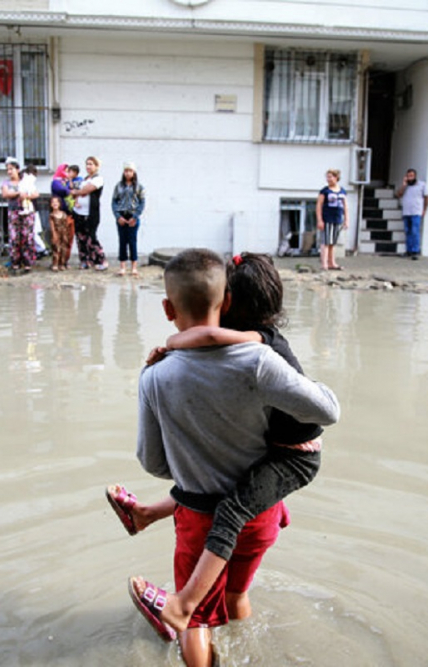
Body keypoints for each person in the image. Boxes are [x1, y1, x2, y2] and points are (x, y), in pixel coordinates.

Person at [126, 249, 340, 666]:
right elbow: (321, 413)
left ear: (168, 308)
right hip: (260, 512)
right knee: (238, 594)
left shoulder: (156, 375)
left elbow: (153, 464)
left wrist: (191, 461)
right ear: (224, 302)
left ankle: (181, 607)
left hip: (201, 523)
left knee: (197, 621)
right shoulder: (260, 361)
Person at [71, 156, 108, 271]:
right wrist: (76, 192)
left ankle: (101, 260)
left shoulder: (98, 179)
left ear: (96, 166)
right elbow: (73, 189)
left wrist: (78, 191)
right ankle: (85, 261)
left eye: (91, 164)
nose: (88, 166)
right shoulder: (84, 179)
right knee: (80, 237)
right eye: (87, 164)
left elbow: (85, 190)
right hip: (79, 212)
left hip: (91, 213)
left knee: (91, 237)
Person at [111, 161, 146, 276]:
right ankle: (122, 267)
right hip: (121, 215)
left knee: (132, 241)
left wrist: (135, 217)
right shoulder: (118, 186)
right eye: (126, 171)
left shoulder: (139, 187)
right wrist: (118, 217)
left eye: (130, 171)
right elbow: (114, 202)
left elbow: (142, 203)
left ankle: (134, 267)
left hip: (133, 216)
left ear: (134, 172)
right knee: (122, 241)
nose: (128, 173)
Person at [316, 169, 348, 271]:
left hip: (337, 219)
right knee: (325, 241)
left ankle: (332, 263)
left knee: (332, 243)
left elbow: (345, 206)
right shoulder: (324, 191)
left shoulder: (342, 191)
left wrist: (346, 220)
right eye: (327, 177)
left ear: (336, 177)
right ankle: (324, 263)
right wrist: (320, 220)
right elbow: (319, 205)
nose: (328, 179)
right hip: (327, 219)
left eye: (330, 177)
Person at [396, 168, 428, 259]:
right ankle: (408, 250)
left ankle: (415, 251)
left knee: (415, 231)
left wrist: (424, 209)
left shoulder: (422, 185)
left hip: (416, 211)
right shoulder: (405, 186)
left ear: (415, 176)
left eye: (412, 176)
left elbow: (426, 197)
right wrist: (404, 185)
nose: (410, 178)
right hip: (406, 212)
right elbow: (398, 195)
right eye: (408, 176)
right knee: (407, 231)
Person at [47, 195, 73, 271]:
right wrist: (54, 234)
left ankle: (62, 263)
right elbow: (52, 226)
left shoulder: (64, 214)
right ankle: (55, 263)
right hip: (56, 233)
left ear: (60, 204)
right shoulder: (51, 215)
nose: (55, 203)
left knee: (64, 248)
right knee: (56, 248)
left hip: (64, 233)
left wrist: (68, 234)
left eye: (56, 202)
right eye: (53, 202)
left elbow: (66, 225)